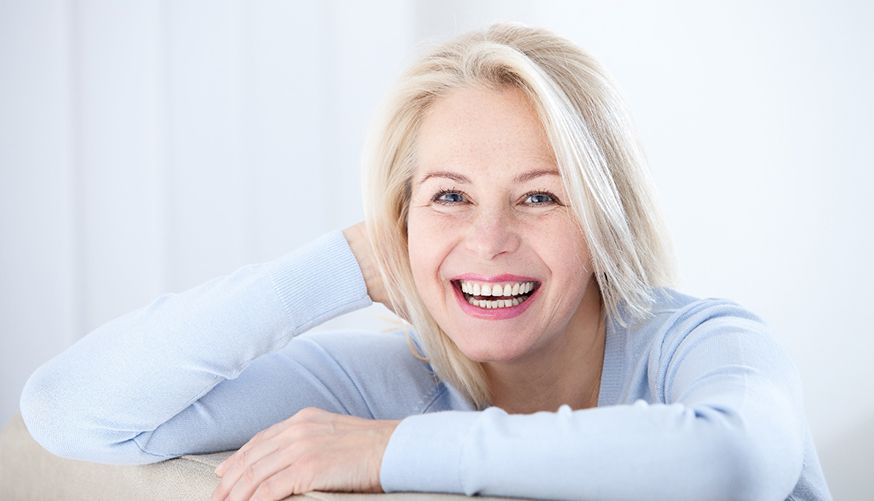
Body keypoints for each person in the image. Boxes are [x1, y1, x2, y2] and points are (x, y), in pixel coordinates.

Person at [19, 22, 832, 501]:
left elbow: (733, 460)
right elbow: (72, 411)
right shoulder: (382, 380)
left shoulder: (704, 341)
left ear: (605, 219)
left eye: (541, 197)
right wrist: (343, 262)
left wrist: (390, 449)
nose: (488, 240)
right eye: (448, 197)